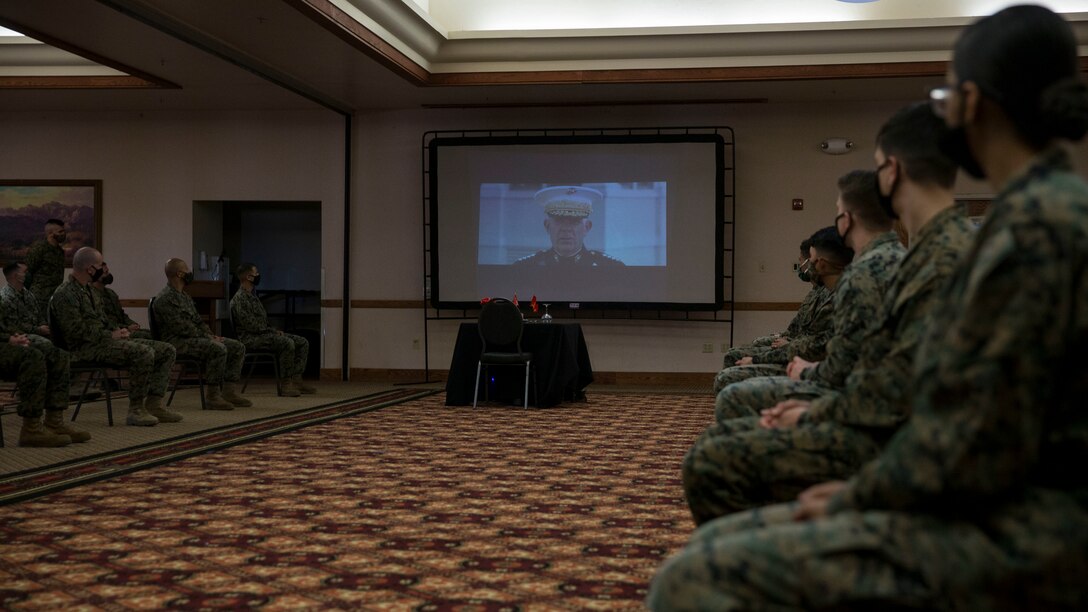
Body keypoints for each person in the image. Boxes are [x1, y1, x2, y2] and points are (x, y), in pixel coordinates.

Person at [648, 5, 1088, 609]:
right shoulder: (1045, 213)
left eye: (945, 94)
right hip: (998, 501)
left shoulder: (1032, 232)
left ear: (972, 103)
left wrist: (861, 496)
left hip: (1022, 531)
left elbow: (971, 439)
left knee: (693, 580)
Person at [683, 103, 975, 524]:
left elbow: (878, 385)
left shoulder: (912, 265)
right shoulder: (937, 253)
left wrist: (813, 409)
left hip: (911, 448)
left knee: (711, 459)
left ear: (891, 172)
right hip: (911, 434)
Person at [51, 247, 179, 426]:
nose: (103, 269)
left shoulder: (89, 291)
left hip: (103, 342)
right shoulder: (65, 294)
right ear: (90, 268)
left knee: (166, 349)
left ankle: (154, 404)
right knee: (143, 352)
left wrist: (120, 330)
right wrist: (110, 334)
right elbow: (76, 333)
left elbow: (103, 320)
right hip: (84, 349)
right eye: (99, 265)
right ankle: (136, 410)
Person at [712, 226, 851, 392]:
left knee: (727, 380)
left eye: (810, 261)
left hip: (820, 375)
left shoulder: (841, 298)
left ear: (821, 265)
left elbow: (812, 348)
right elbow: (807, 341)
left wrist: (756, 360)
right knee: (732, 369)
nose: (805, 267)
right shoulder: (837, 292)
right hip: (811, 365)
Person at [153, 258, 251, 410]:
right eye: (187, 270)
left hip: (194, 338)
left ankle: (228, 392)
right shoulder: (164, 299)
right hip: (177, 342)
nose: (190, 273)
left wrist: (211, 335)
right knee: (217, 349)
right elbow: (181, 328)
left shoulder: (184, 296)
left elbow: (198, 322)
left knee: (237, 347)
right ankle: (213, 396)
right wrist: (208, 338)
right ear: (179, 274)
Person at [719, 238, 830, 365]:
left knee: (732, 357)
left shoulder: (829, 295)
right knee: (747, 348)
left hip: (802, 357)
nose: (801, 266)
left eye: (802, 261)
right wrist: (783, 337)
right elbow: (797, 329)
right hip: (797, 348)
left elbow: (816, 342)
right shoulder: (815, 292)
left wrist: (790, 343)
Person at [230, 262, 315, 397]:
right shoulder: (239, 299)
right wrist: (272, 332)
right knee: (287, 343)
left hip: (264, 334)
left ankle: (296, 379)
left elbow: (262, 322)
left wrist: (272, 330)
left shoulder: (253, 296)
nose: (258, 275)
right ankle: (286, 384)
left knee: (302, 342)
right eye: (256, 273)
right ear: (249, 277)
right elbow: (250, 325)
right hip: (251, 338)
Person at [512, 186, 625, 268]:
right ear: (547, 226)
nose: (566, 229)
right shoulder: (524, 267)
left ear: (587, 227)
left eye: (574, 221)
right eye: (559, 220)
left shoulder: (611, 268)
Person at [92, 262, 152, 340]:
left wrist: (132, 323)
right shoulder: (92, 295)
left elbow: (121, 314)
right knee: (148, 336)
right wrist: (127, 327)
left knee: (153, 333)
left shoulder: (111, 293)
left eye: (108, 271)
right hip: (111, 333)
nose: (109, 275)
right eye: (105, 273)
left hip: (124, 329)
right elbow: (104, 321)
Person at [25, 218, 67, 322]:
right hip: (39, 297)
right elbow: (28, 270)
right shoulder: (39, 248)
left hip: (54, 296)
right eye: (60, 232)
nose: (64, 234)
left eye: (64, 231)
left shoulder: (60, 251)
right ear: (50, 233)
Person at [1, 261, 50, 338]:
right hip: (21, 336)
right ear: (16, 276)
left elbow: (39, 315)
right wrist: (38, 330)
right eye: (25, 271)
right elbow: (14, 326)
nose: (28, 274)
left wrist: (44, 326)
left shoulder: (28, 293)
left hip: (38, 332)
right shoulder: (5, 298)